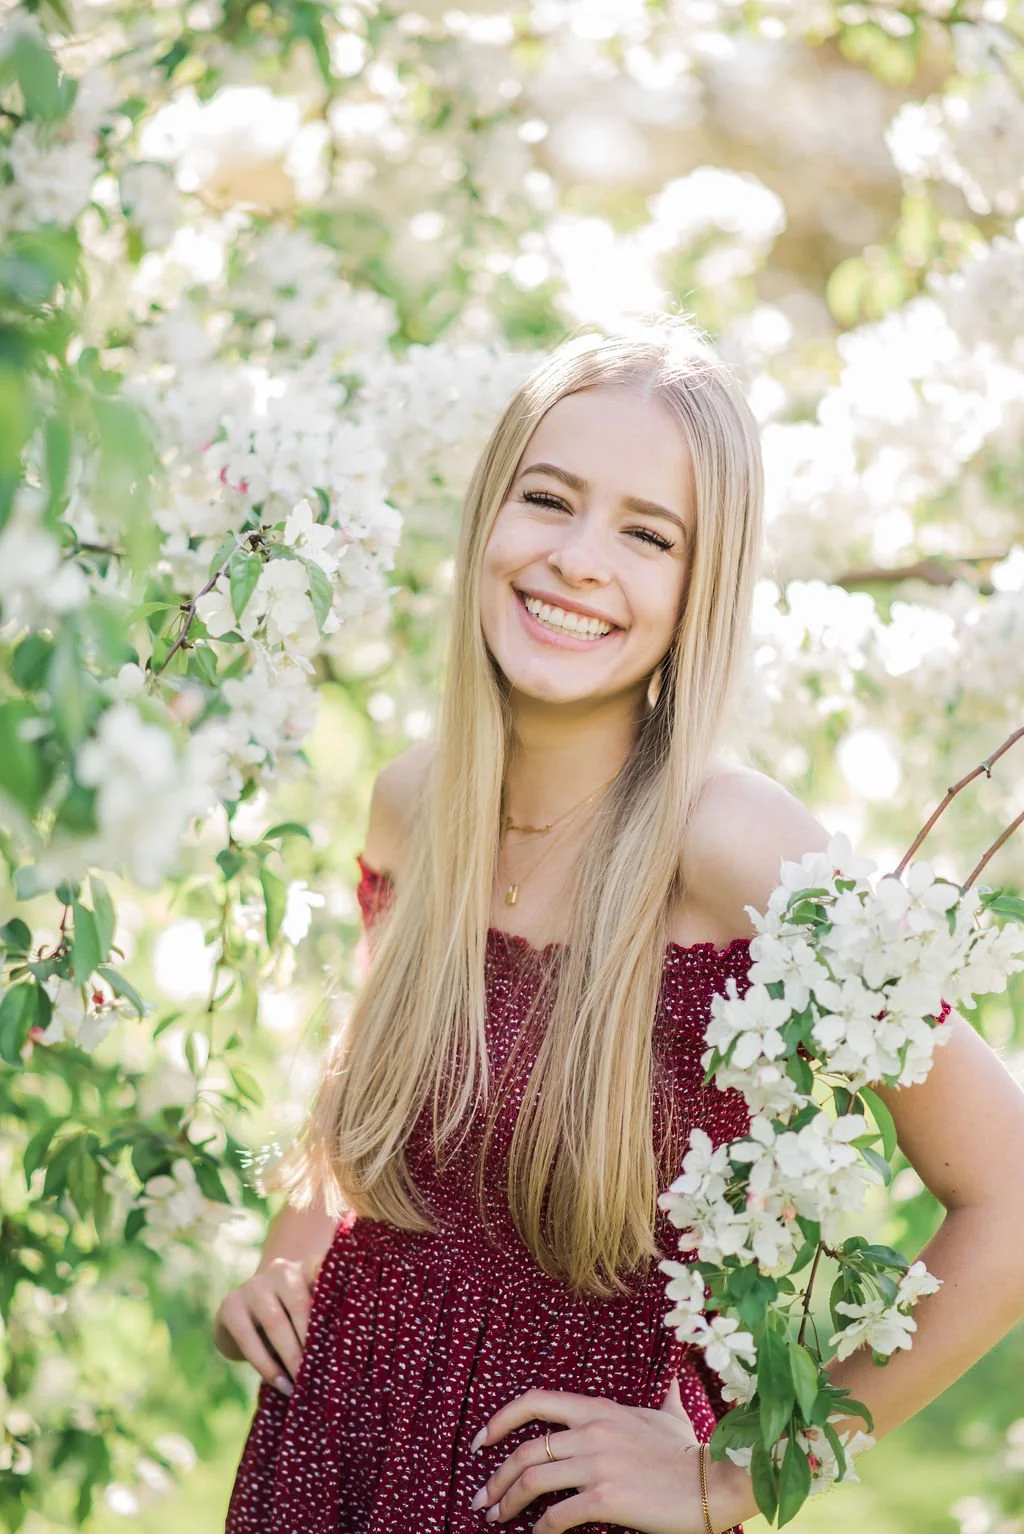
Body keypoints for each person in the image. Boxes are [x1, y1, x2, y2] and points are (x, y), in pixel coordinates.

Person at [216, 320, 1024, 1534]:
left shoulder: (738, 850)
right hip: (334, 1439)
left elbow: (1009, 1195)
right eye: (549, 500)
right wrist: (292, 1245)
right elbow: (380, 1061)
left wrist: (736, 1473)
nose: (580, 559)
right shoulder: (413, 799)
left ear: (700, 589)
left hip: (559, 1490)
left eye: (648, 534)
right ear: (488, 516)